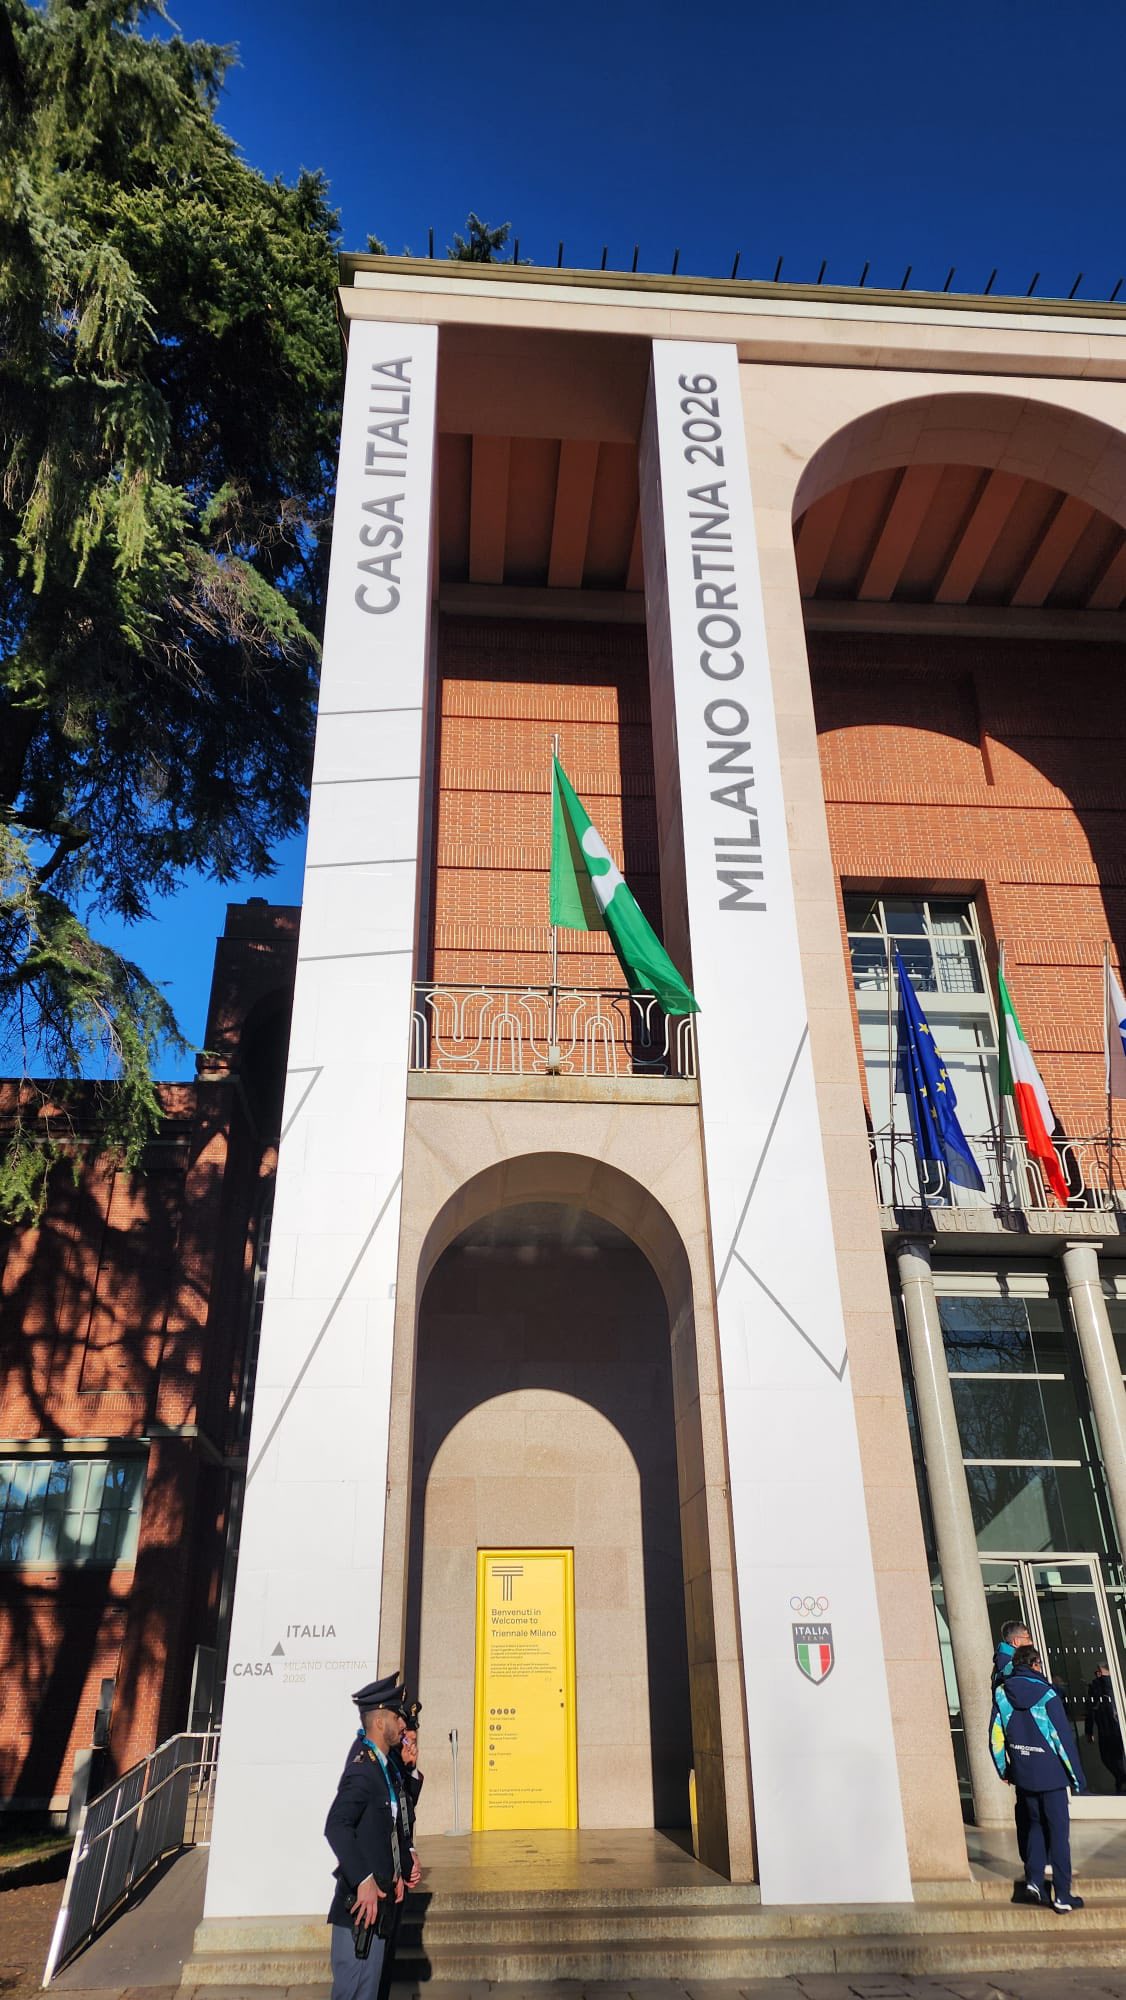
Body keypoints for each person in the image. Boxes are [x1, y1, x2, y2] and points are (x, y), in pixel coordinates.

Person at [324, 1673, 423, 1999]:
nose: (402, 1723)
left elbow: (391, 1822)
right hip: (360, 1909)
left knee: (371, 1992)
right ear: (380, 1722)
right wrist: (364, 1879)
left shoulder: (384, 1765)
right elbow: (337, 1825)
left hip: (382, 1902)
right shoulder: (363, 1769)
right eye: (396, 1717)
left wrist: (397, 1869)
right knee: (355, 1993)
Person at [990, 1643, 1086, 1913]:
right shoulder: (1047, 1694)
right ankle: (1062, 1894)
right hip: (1051, 1775)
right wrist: (1077, 1778)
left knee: (1033, 1826)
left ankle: (1034, 1880)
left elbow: (995, 1737)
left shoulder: (1002, 1694)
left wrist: (1004, 1769)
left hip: (1024, 1773)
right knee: (1058, 1835)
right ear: (1034, 1664)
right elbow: (1061, 1738)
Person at [1085, 1662, 1126, 1793]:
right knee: (1112, 1757)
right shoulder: (1103, 1685)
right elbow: (1091, 1709)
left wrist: (1089, 1730)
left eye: (1099, 1672)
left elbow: (1091, 1709)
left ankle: (1121, 1779)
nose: (1097, 1675)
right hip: (1110, 1726)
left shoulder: (1103, 1685)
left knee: (1112, 1757)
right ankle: (1121, 1779)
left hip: (1110, 1726)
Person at [992, 1619, 1032, 1693]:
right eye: (1027, 1638)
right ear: (1017, 1641)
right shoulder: (1013, 1666)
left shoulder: (1003, 1662)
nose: (1031, 1642)